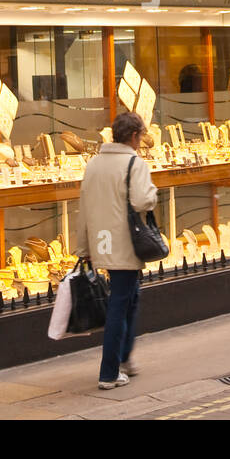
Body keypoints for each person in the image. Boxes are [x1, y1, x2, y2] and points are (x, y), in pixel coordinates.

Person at [76, 111, 158, 388]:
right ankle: (109, 373)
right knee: (119, 305)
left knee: (129, 299)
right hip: (125, 245)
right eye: (141, 136)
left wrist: (83, 247)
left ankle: (124, 358)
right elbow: (142, 201)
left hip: (102, 243)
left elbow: (83, 210)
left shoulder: (93, 164)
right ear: (134, 136)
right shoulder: (135, 163)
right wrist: (153, 194)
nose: (141, 141)